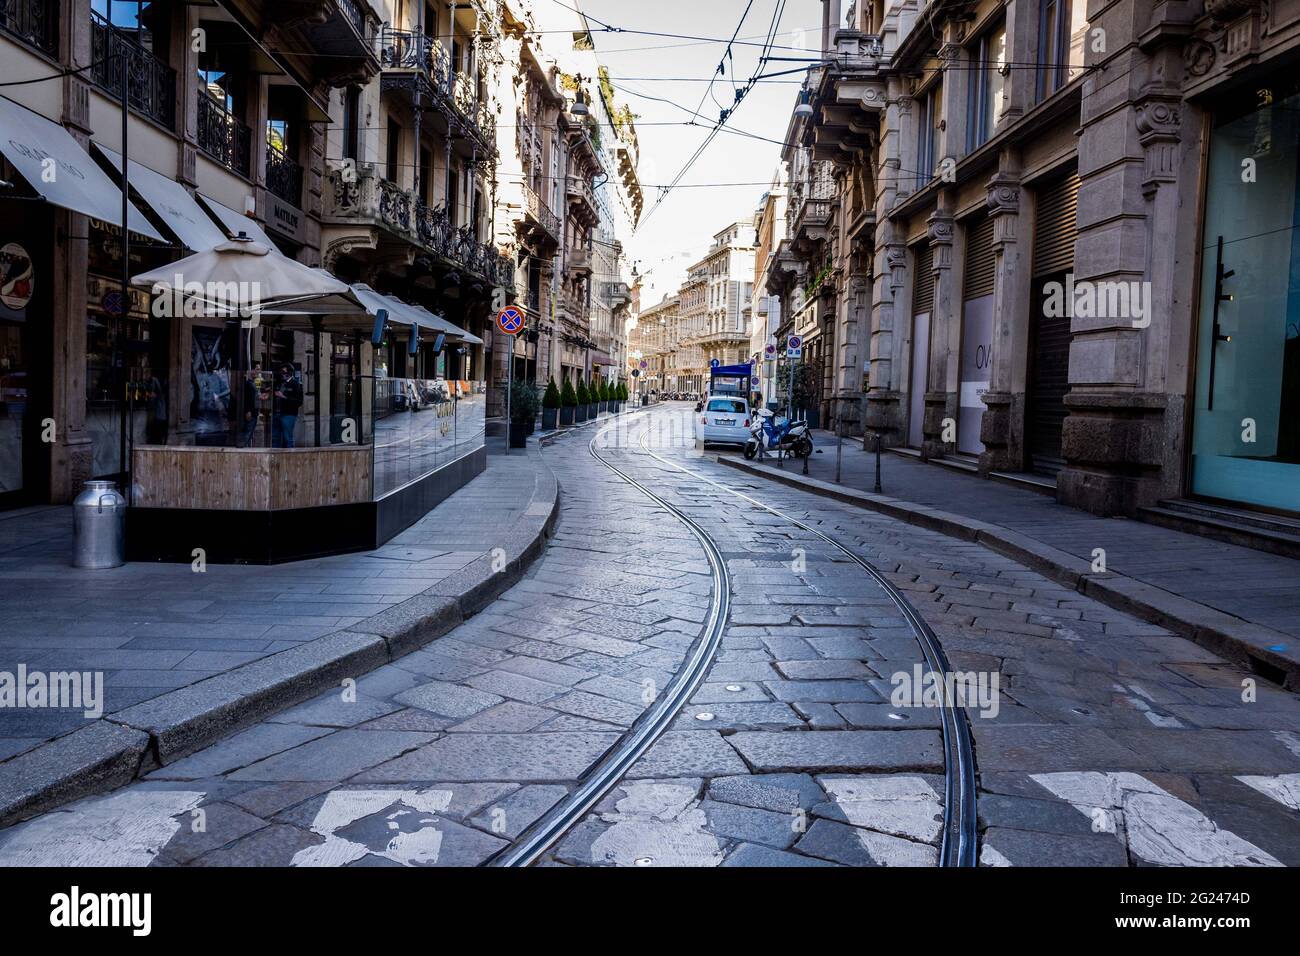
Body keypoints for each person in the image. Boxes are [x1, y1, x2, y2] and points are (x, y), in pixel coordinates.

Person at [273, 364, 303, 448]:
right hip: (277, 412)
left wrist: (284, 397)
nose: (282, 374)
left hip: (288, 414)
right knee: (275, 437)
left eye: (284, 372)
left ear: (289, 373)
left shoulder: (295, 384)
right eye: (281, 372)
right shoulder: (280, 382)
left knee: (287, 437)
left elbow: (299, 401)